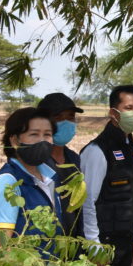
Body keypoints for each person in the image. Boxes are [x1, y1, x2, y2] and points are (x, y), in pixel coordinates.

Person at [79, 84, 133, 266]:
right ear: (113, 113)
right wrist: (94, 247)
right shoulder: (97, 150)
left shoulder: (131, 148)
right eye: (129, 108)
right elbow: (87, 201)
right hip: (103, 244)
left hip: (126, 241)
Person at [0, 107, 63, 240]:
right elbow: (0, 245)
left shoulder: (50, 177)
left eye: (47, 135)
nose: (42, 141)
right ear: (14, 141)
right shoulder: (7, 183)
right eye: (34, 134)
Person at [36, 91, 87, 238]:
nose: (66, 123)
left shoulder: (75, 160)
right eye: (58, 117)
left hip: (73, 243)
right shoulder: (34, 162)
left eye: (70, 117)